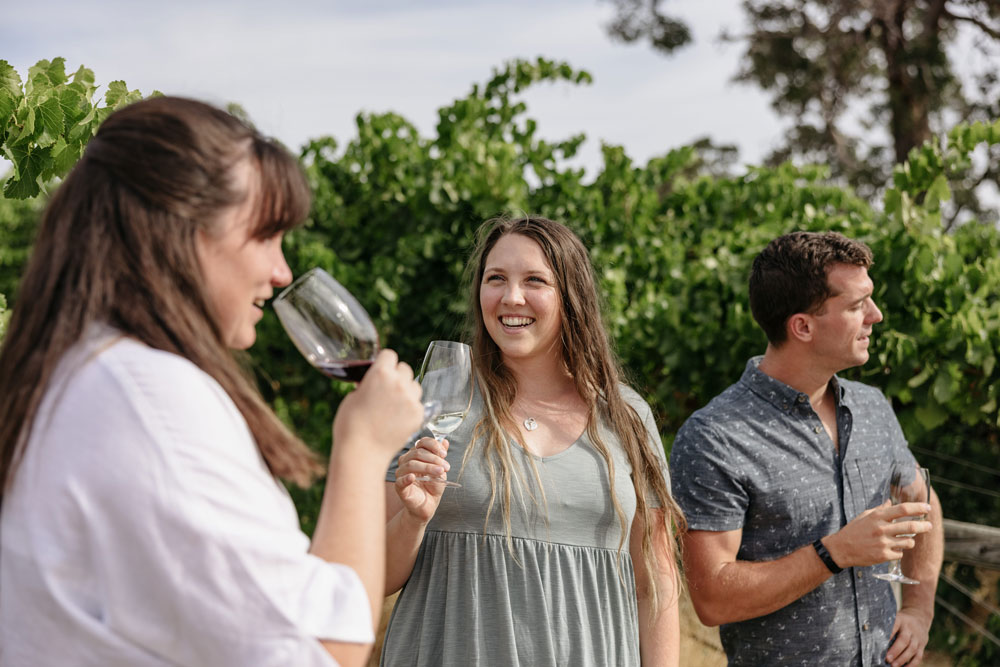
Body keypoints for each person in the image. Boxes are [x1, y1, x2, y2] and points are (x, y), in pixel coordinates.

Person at [0, 96, 425, 667]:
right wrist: (364, 445)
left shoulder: (70, 375)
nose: (282, 272)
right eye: (266, 236)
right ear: (182, 227)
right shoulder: (153, 400)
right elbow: (318, 653)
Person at [378, 215, 686, 666]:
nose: (511, 297)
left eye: (534, 281)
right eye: (496, 279)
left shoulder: (626, 416)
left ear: (571, 297)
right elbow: (370, 576)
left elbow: (654, 584)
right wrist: (413, 519)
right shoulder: (431, 402)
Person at [669, 231, 945, 667]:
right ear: (802, 326)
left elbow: (922, 501)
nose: (876, 315)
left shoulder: (871, 407)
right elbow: (713, 600)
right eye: (856, 305)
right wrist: (834, 552)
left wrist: (919, 609)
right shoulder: (715, 437)